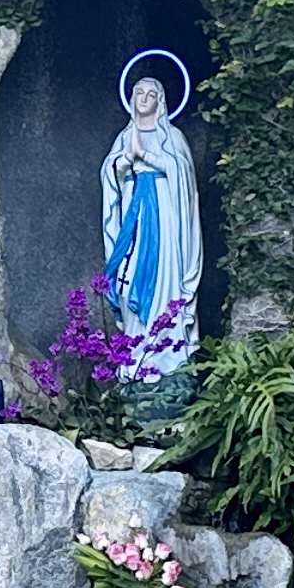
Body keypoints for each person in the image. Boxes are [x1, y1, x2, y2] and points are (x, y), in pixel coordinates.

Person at [99, 53, 203, 381]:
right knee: (127, 277)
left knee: (164, 280)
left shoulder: (172, 136)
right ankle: (136, 353)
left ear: (161, 101)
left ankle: (166, 356)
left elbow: (182, 175)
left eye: (151, 94)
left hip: (165, 219)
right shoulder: (123, 136)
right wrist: (126, 161)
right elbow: (110, 174)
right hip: (134, 215)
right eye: (139, 93)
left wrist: (147, 155)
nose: (144, 99)